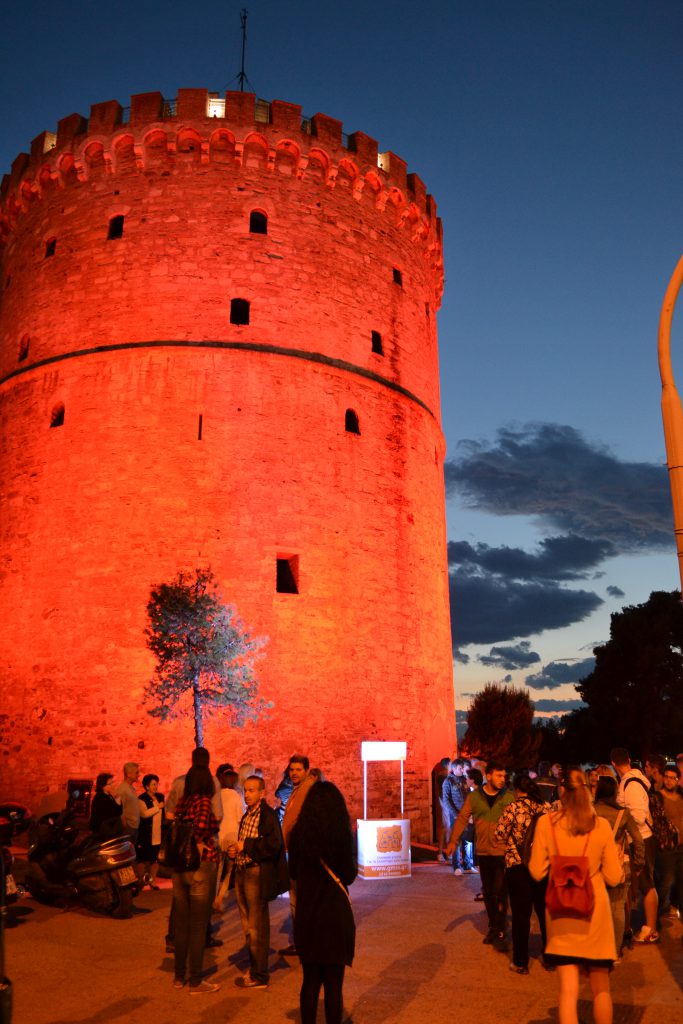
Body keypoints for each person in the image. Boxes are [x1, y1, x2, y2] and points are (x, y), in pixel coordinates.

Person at [529, 766, 623, 1024]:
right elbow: (614, 877)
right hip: (594, 914)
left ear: (562, 790)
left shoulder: (546, 823)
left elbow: (536, 871)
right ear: (588, 790)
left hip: (562, 914)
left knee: (568, 992)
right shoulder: (601, 826)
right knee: (601, 989)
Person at [288, 781, 356, 1024]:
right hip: (334, 915)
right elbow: (349, 875)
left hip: (308, 913)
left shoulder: (298, 835)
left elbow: (293, 872)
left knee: (310, 980)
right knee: (333, 984)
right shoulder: (340, 834)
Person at [446, 759, 515, 951]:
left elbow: (517, 822)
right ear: (489, 776)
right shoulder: (475, 797)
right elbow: (462, 819)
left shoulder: (508, 797)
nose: (502, 779)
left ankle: (500, 929)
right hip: (484, 852)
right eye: (499, 775)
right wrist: (452, 842)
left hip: (502, 852)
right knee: (489, 892)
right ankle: (493, 925)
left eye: (504, 776)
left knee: (500, 892)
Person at [229, 774, 288, 989]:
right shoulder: (247, 815)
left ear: (262, 793)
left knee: (257, 927)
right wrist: (236, 851)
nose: (247, 794)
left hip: (256, 874)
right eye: (245, 790)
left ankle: (260, 975)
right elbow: (246, 843)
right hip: (242, 871)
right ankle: (255, 968)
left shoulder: (267, 815)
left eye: (252, 790)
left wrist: (246, 845)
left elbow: (273, 845)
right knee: (248, 925)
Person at [171, 764, 220, 994]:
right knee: (198, 926)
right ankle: (196, 980)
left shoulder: (183, 802)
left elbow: (175, 823)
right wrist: (199, 843)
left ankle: (179, 976)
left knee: (181, 924)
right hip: (199, 866)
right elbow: (200, 827)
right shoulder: (203, 801)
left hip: (179, 865)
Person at [494, 772, 549, 974]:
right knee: (544, 913)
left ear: (517, 789)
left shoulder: (513, 808)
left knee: (520, 915)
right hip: (542, 866)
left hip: (517, 867)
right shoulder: (545, 808)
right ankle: (550, 957)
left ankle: (520, 961)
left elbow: (499, 834)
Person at [610, 746, 659, 943]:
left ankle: (651, 929)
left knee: (647, 884)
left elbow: (637, 816)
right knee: (641, 884)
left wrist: (622, 824)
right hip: (641, 838)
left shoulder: (630, 784)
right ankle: (647, 926)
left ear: (613, 763)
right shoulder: (632, 781)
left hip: (641, 839)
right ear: (628, 760)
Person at [594, 774, 644, 958]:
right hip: (618, 865)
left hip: (594, 867)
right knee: (617, 908)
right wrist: (639, 863)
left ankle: (596, 949)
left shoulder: (590, 811)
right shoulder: (623, 814)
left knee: (595, 908)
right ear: (615, 792)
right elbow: (638, 840)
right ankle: (614, 952)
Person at [280, 753, 316, 955]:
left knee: (300, 900)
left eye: (298, 770)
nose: (294, 773)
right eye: (292, 769)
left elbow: (297, 822)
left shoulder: (307, 789)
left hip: (301, 853)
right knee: (297, 899)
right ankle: (301, 941)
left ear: (306, 771)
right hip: (294, 851)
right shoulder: (298, 790)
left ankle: (303, 943)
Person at [213, 765, 245, 912]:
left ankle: (213, 897)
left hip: (219, 835)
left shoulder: (217, 795)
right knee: (229, 871)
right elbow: (240, 818)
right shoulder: (236, 796)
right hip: (232, 836)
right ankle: (219, 899)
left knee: (217, 870)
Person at [658, 765, 683, 920]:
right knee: (666, 879)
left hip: (681, 845)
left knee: (680, 879)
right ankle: (658, 909)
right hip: (667, 846)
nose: (668, 780)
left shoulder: (681, 796)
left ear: (678, 780)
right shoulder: (658, 797)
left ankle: (673, 906)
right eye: (666, 777)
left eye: (672, 778)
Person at [443, 759, 474, 873]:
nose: (462, 770)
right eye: (460, 768)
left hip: (467, 815)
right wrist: (456, 814)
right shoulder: (448, 781)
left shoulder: (465, 780)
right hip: (456, 816)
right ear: (454, 769)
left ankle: (468, 865)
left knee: (468, 840)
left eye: (463, 768)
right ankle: (456, 866)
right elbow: (446, 800)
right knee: (457, 840)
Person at [136, 773, 164, 888]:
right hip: (146, 834)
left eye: (157, 784)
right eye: (153, 784)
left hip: (157, 833)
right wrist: (158, 807)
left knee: (154, 859)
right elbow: (144, 814)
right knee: (143, 859)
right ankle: (141, 881)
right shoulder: (141, 799)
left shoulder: (160, 797)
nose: (156, 787)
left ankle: (152, 881)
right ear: (147, 786)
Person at [89, 773, 124, 837]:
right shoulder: (100, 797)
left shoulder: (108, 795)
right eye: (110, 784)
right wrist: (118, 802)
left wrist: (118, 801)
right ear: (103, 786)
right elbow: (113, 813)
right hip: (102, 830)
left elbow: (119, 811)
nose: (112, 785)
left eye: (112, 783)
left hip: (108, 828)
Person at [116, 762, 141, 843]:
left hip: (133, 826)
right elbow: (119, 810)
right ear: (129, 774)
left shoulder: (130, 787)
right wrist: (126, 826)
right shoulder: (122, 789)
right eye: (136, 772)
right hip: (128, 828)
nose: (139, 775)